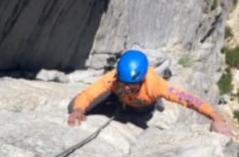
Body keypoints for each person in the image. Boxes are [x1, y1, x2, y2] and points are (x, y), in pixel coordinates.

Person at [67, 49, 232, 137]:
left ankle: (154, 102)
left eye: (131, 85)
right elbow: (88, 94)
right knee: (74, 105)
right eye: (123, 84)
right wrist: (78, 109)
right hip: (118, 98)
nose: (126, 88)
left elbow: (188, 99)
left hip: (142, 105)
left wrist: (216, 118)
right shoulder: (114, 77)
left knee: (138, 115)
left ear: (142, 79)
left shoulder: (156, 85)